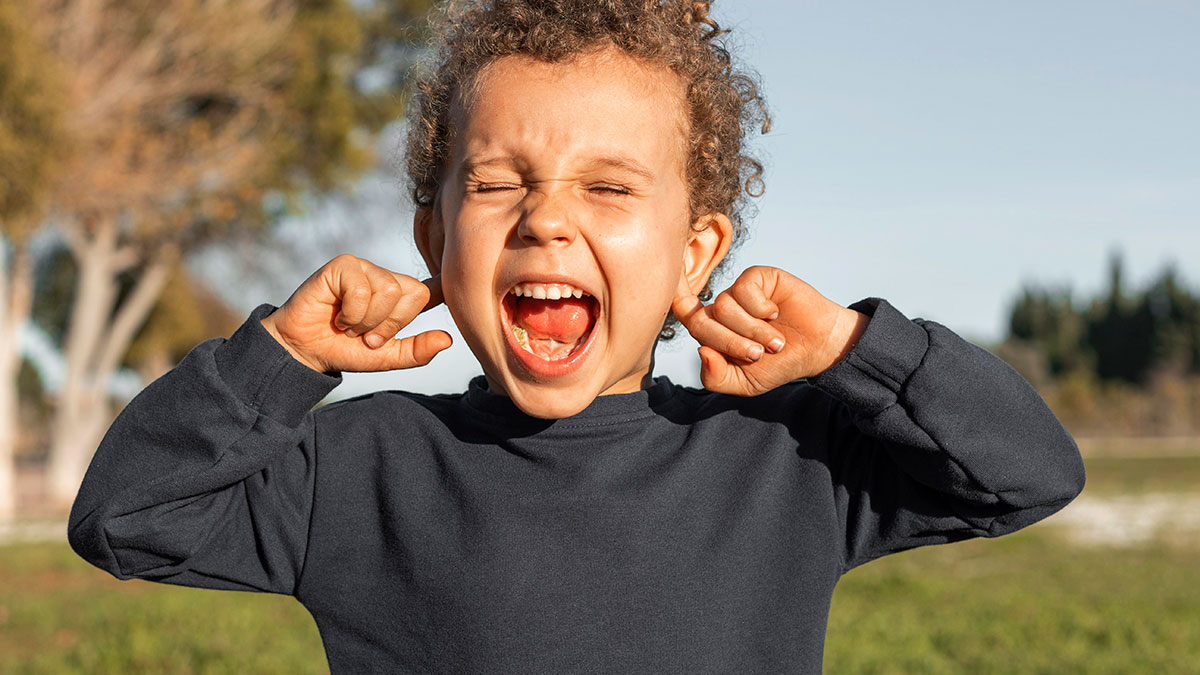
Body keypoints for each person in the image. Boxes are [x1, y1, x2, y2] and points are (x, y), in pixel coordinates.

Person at [68, 1, 1086, 672]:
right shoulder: (359, 468)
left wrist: (855, 352)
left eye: (609, 188)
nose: (547, 218)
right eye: (496, 183)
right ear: (435, 241)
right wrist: (281, 360)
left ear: (695, 254)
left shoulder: (784, 458)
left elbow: (1027, 472)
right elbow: (123, 516)